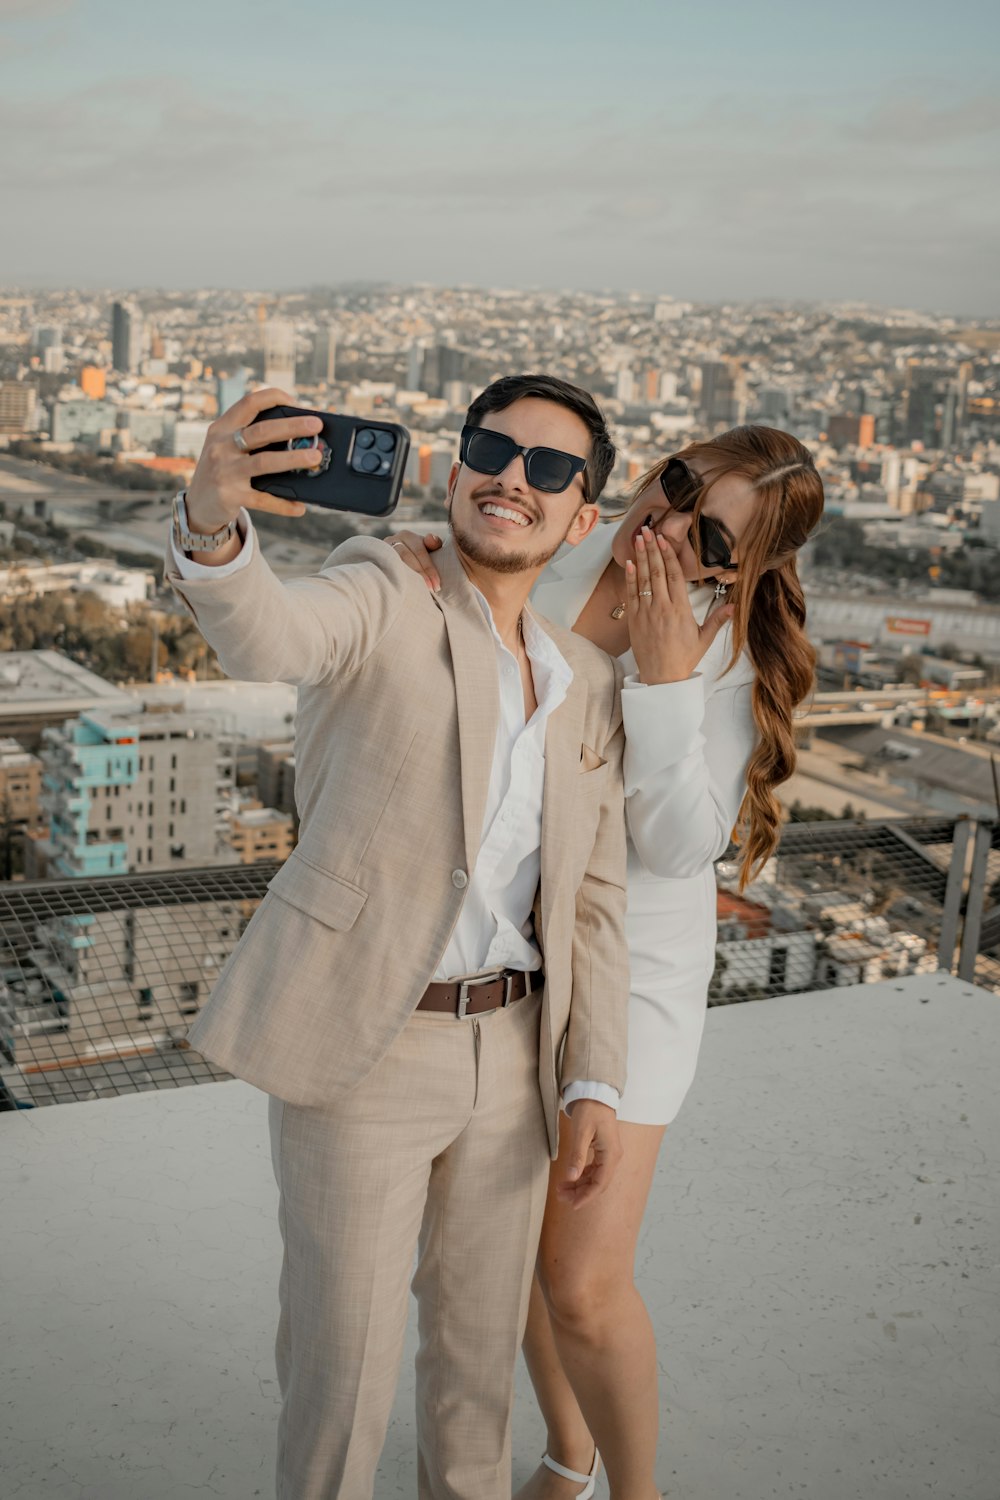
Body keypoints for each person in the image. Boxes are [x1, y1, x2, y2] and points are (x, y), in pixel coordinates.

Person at [165, 374, 633, 1500]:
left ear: (582, 519)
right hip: (366, 1047)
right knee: (342, 1376)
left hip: (513, 1056)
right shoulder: (383, 584)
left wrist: (591, 1084)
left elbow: (592, 903)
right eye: (492, 446)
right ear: (454, 463)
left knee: (476, 1377)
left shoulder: (585, 684)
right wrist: (213, 523)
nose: (513, 476)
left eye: (552, 468)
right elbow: (269, 632)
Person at [391, 422, 825, 1500]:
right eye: (676, 485)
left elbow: (680, 845)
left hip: (626, 996)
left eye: (711, 535)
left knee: (580, 1282)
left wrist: (667, 683)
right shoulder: (568, 554)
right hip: (508, 964)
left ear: (750, 568)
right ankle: (566, 1458)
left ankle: (637, 1494)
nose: (670, 524)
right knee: (515, 1270)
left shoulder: (722, 656)